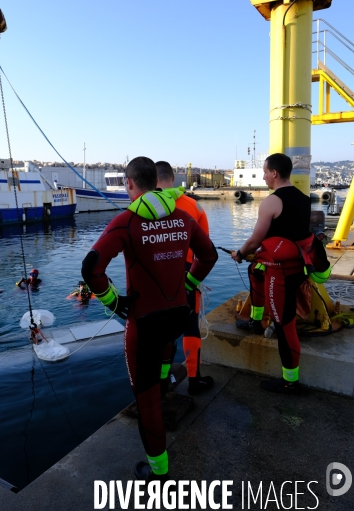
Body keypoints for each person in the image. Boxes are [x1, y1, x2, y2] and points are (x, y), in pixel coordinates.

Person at [81, 156, 218, 481]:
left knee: (146, 405)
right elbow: (209, 255)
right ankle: (161, 384)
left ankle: (159, 473)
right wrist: (188, 283)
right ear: (156, 182)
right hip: (176, 315)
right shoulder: (183, 215)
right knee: (163, 360)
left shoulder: (126, 222)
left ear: (130, 183)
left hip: (144, 323)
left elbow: (91, 268)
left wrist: (114, 302)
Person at [232, 153, 319, 394]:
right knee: (254, 270)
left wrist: (239, 252)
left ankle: (290, 381)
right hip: (297, 267)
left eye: (264, 171)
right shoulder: (304, 199)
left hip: (279, 273)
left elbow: (256, 239)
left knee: (284, 325)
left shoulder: (272, 201)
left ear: (274, 173)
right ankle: (256, 321)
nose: (263, 176)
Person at [156, 160, 214, 395]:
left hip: (157, 278)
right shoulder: (194, 207)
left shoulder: (142, 207)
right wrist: (192, 281)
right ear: (173, 178)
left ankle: (160, 381)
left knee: (162, 330)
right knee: (190, 326)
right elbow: (206, 250)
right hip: (188, 274)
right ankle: (194, 380)